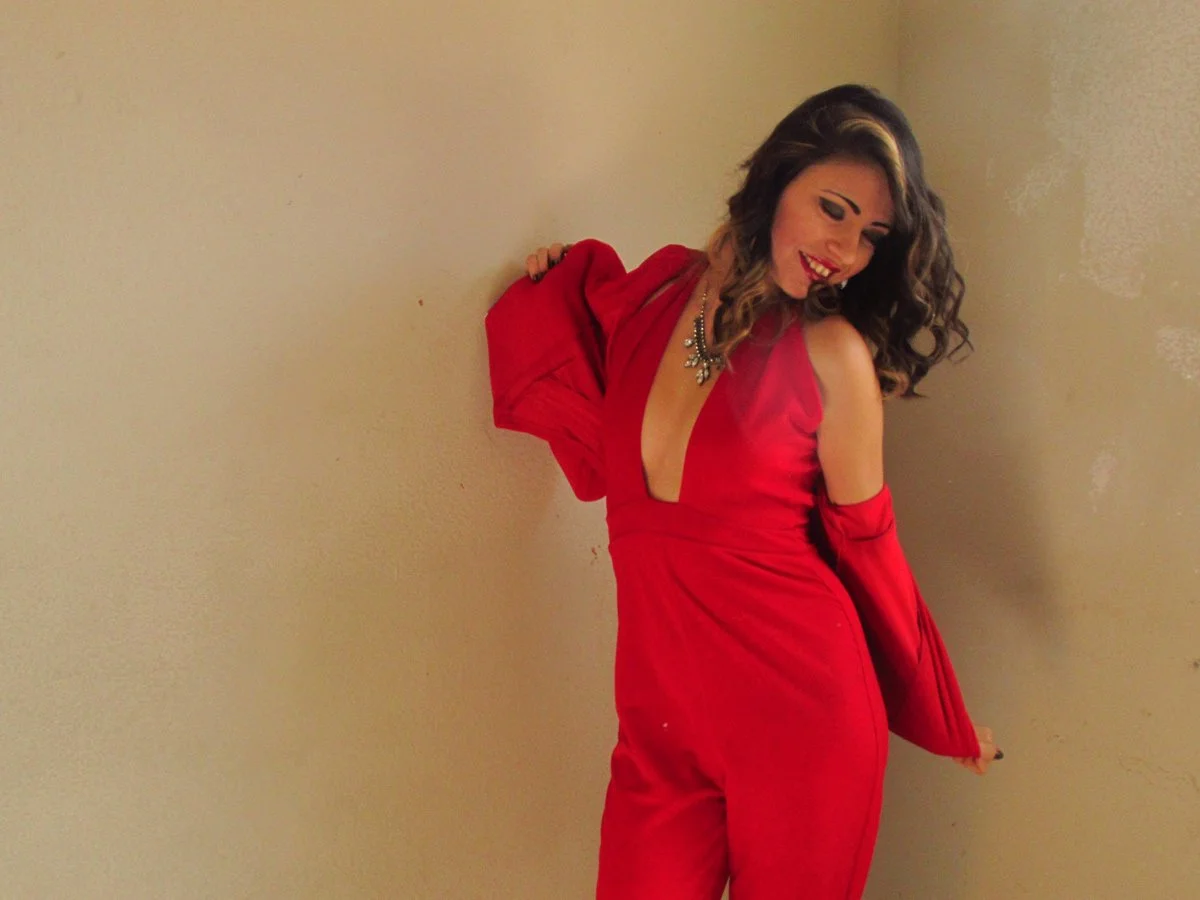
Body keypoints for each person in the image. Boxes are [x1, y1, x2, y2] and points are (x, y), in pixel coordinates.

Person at [485, 84, 1001, 900]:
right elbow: (559, 356)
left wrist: (939, 705)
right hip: (658, 734)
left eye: (871, 236)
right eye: (832, 209)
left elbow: (869, 547)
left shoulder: (834, 356)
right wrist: (545, 276)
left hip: (804, 724)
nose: (846, 251)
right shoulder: (652, 294)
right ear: (775, 180)